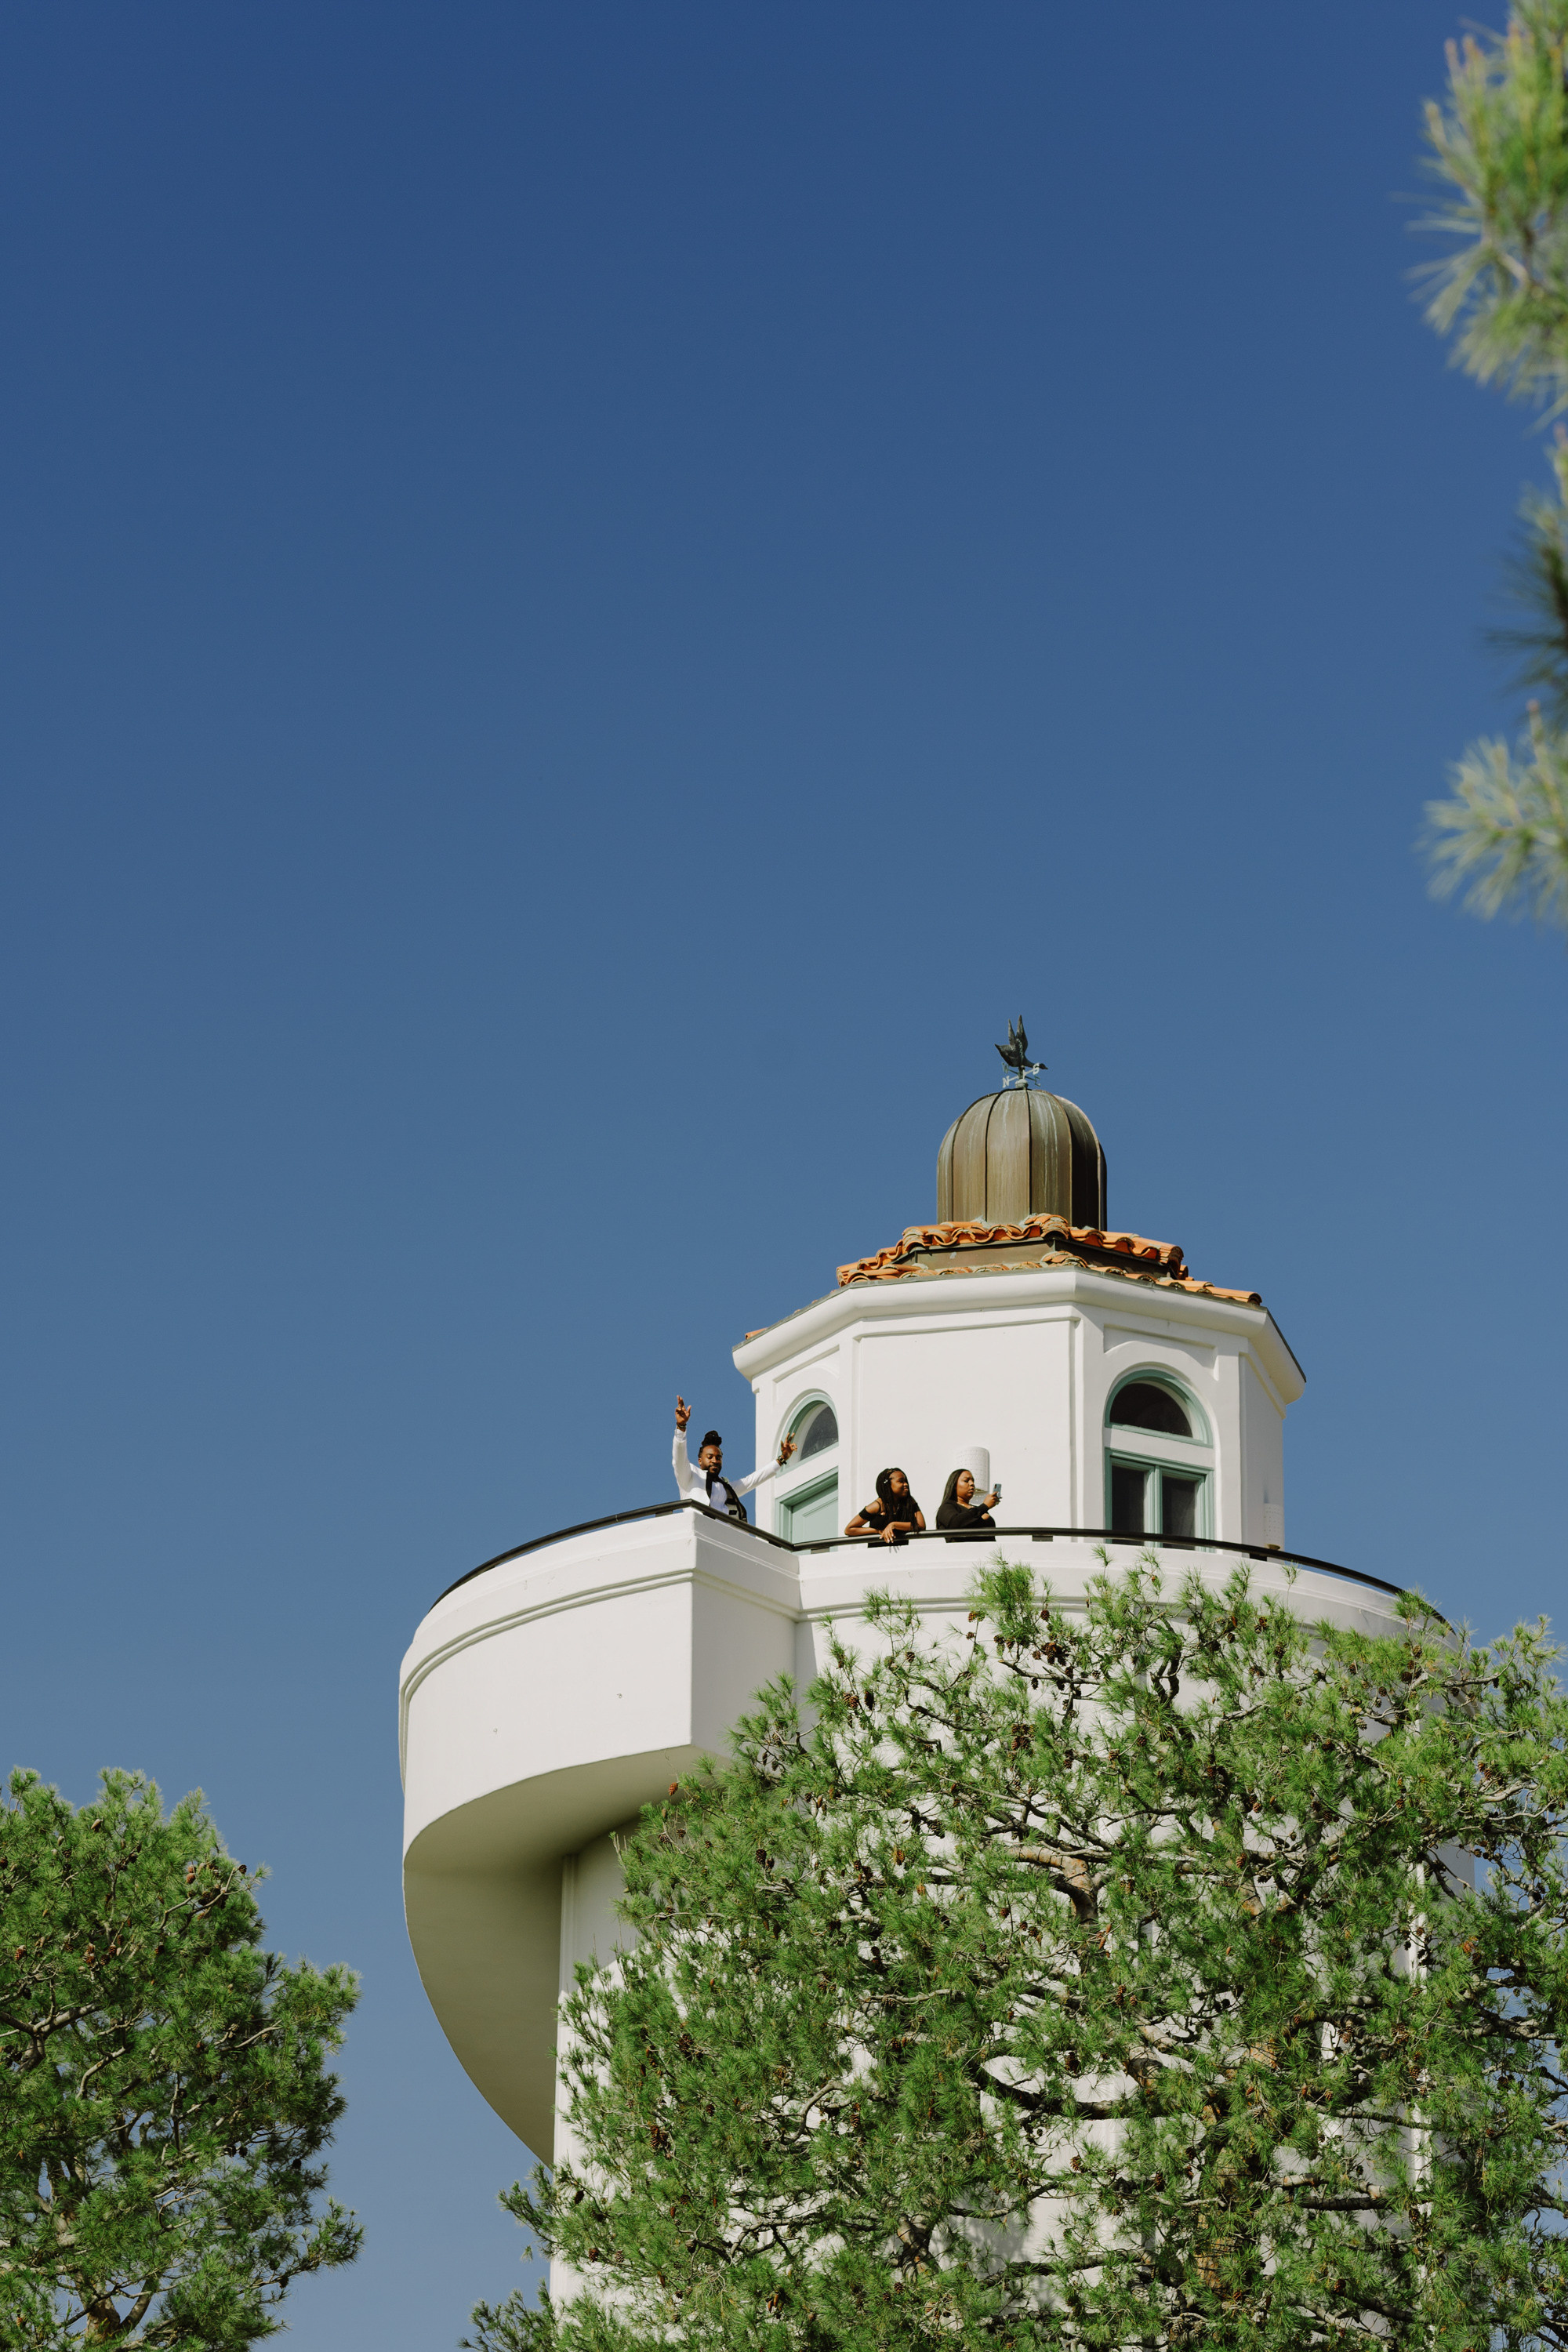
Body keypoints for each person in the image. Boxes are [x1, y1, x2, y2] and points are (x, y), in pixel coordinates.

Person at [673, 1396, 795, 1524]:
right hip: (699, 1529)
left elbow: (751, 1481)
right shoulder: (690, 1476)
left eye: (718, 1458)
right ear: (700, 1460)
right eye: (710, 1457)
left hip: (724, 1535)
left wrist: (782, 1459)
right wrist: (681, 1427)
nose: (715, 1460)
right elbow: (679, 1457)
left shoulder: (726, 1488)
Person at [845, 1467, 925, 1546]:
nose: (906, 1484)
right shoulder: (878, 1505)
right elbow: (849, 1530)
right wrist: (876, 1531)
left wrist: (894, 1525)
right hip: (878, 1555)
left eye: (905, 1481)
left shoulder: (909, 1502)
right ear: (888, 1485)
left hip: (901, 1555)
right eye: (901, 1481)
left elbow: (921, 1525)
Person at [935, 1466, 1000, 1541]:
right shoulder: (947, 1506)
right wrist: (984, 1506)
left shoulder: (977, 1509)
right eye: (966, 1481)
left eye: (973, 1481)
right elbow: (955, 1524)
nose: (972, 1484)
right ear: (954, 1485)